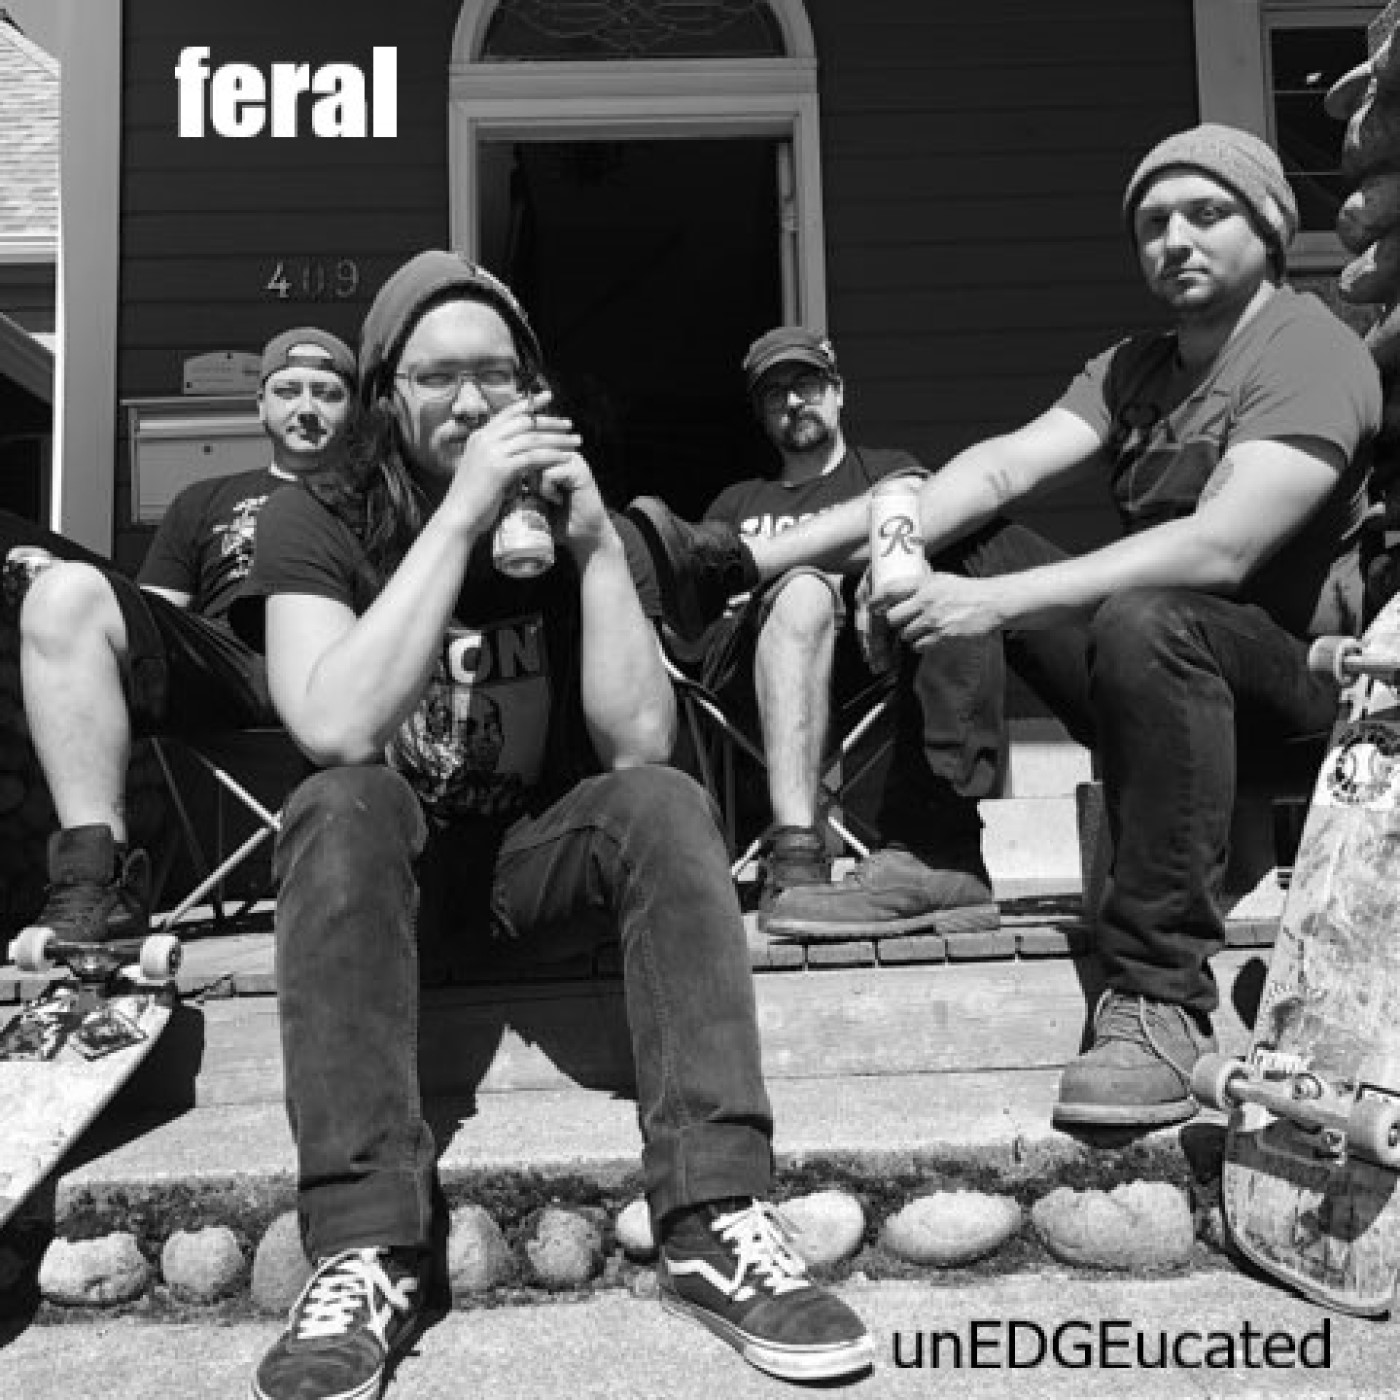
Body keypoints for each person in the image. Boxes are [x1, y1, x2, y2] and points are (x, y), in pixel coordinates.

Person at [634, 124, 1382, 1130]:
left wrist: (986, 603)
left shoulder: (1309, 348)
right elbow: (995, 471)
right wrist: (895, 556)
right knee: (961, 531)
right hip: (1149, 677)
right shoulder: (1133, 369)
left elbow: (1221, 550)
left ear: (1271, 228)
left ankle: (1158, 999)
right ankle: (936, 848)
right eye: (1153, 222)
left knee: (1151, 614)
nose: (1174, 240)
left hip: (1297, 699)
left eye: (1207, 214)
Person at [234, 251, 872, 1400]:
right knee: (339, 799)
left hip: (531, 868)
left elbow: (638, 744)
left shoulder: (576, 519)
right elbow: (333, 725)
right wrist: (458, 515)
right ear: (387, 396)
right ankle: (367, 1244)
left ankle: (711, 1210)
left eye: (496, 376)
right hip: (390, 880)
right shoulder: (314, 513)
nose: (470, 402)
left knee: (664, 799)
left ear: (532, 392)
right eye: (437, 377)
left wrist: (593, 550)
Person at [13, 327, 356, 944]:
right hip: (230, 666)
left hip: (342, 663)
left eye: (327, 393)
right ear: (261, 405)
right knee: (65, 594)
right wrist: (62, 584)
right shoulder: (206, 500)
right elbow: (150, 616)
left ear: (353, 408)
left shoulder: (379, 498)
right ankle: (96, 881)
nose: (306, 408)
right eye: (289, 391)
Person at [658, 325, 999, 932]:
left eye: (807, 384)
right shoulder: (736, 504)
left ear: (839, 393)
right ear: (760, 414)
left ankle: (844, 850)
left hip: (867, 672)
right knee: (802, 591)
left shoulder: (887, 474)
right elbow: (692, 628)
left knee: (842, 585)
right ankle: (796, 855)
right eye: (775, 393)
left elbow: (919, 510)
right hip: (750, 685)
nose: (794, 401)